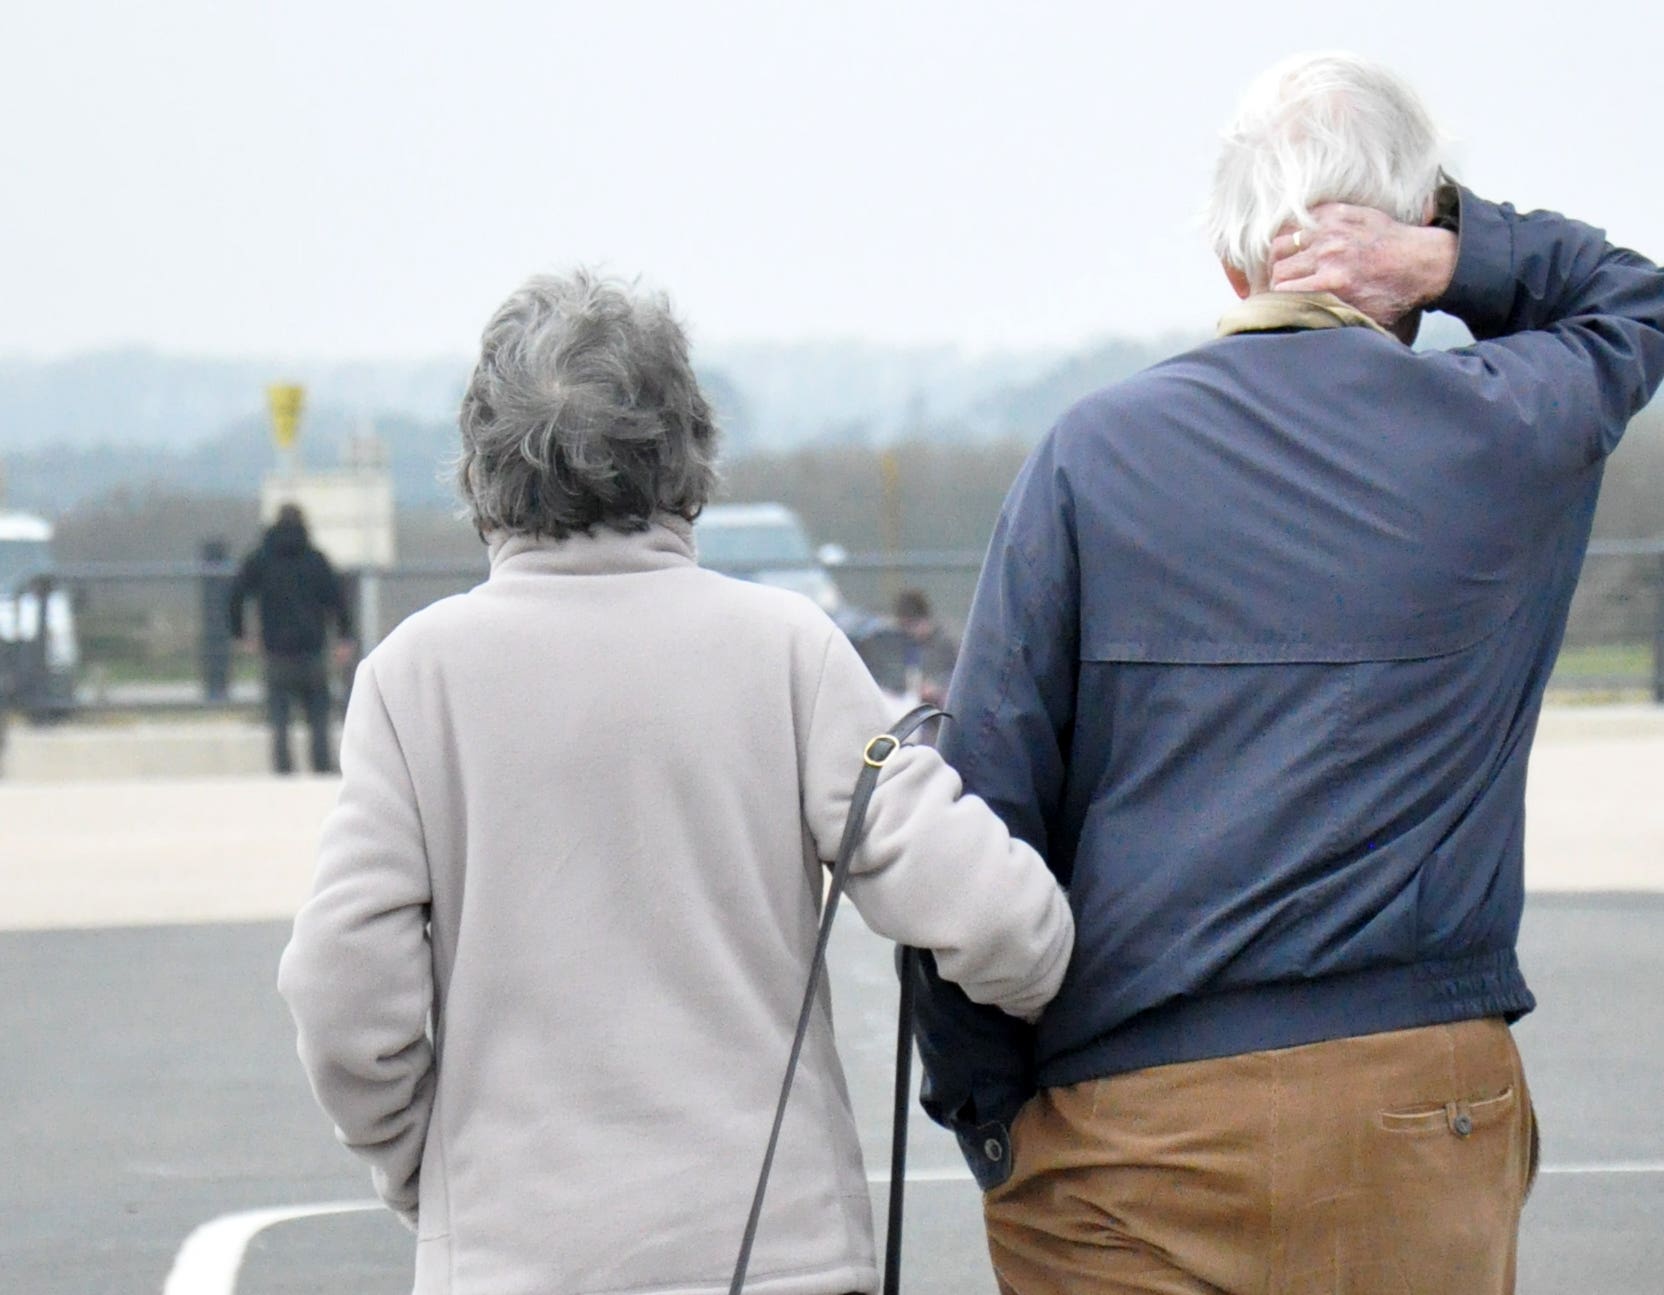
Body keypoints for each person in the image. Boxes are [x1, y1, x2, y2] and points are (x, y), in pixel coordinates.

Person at [910, 52, 1664, 1294]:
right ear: (1402, 242)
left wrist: (989, 1116)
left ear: (1233, 258)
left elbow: (987, 800)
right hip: (1419, 1109)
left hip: (1131, 1119)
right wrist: (1448, 252)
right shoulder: (1500, 428)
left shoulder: (1090, 454)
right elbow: (1634, 301)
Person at [276, 270, 1073, 1295]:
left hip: (514, 1254)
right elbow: (999, 918)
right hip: (775, 1251)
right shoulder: (786, 648)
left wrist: (422, 1169)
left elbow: (340, 986)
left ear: (480, 461)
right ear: (688, 445)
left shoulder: (411, 676)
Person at [229, 504, 354, 774]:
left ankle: (283, 769)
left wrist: (241, 634)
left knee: (279, 717)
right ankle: (321, 767)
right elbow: (339, 601)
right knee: (319, 715)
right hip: (312, 649)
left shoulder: (260, 559)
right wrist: (344, 637)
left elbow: (236, 595)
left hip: (275, 651)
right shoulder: (316, 560)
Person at [893, 588, 959, 706]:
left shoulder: (946, 642)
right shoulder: (908, 643)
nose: (910, 633)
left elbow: (959, 675)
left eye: (912, 626)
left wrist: (938, 687)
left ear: (924, 620)